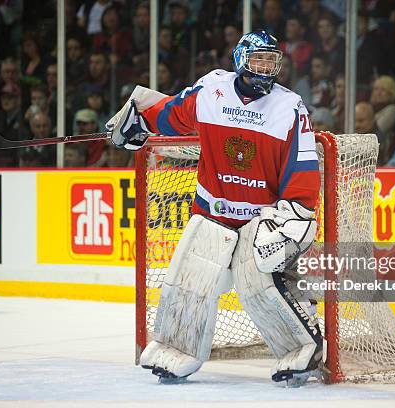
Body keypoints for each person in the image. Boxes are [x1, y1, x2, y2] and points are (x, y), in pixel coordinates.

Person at [107, 30, 321, 385]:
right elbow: (172, 113)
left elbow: (302, 164)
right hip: (213, 213)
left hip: (260, 222)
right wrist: (139, 119)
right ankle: (176, 349)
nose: (265, 69)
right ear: (241, 60)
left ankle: (303, 349)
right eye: (258, 60)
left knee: (261, 287)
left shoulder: (290, 107)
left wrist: (294, 212)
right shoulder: (212, 90)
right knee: (188, 281)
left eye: (271, 61)